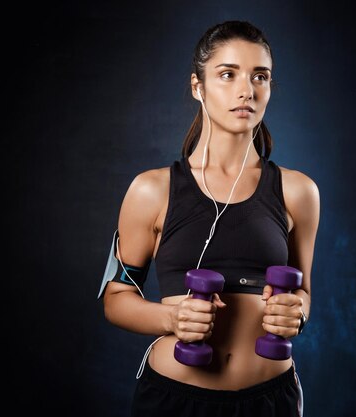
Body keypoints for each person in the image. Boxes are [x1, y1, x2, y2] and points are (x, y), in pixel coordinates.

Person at [98, 20, 320, 417]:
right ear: (198, 87)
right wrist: (171, 316)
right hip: (175, 400)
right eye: (227, 74)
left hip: (271, 400)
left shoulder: (298, 191)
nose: (246, 91)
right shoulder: (152, 190)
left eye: (260, 77)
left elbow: (304, 294)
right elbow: (115, 300)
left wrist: (297, 312)